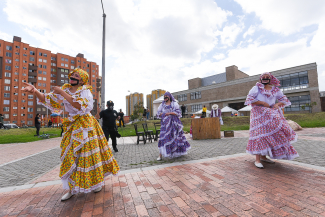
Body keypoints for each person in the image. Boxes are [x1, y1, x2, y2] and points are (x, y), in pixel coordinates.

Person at [22, 68, 120, 201]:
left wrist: (62, 92)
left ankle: (96, 183)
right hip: (71, 126)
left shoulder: (85, 91)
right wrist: (35, 91)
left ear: (82, 80)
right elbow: (48, 99)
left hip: (86, 126)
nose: (72, 77)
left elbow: (82, 106)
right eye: (72, 75)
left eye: (76, 75)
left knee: (90, 155)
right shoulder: (66, 89)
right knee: (69, 155)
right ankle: (71, 189)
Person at [245, 72, 299, 169]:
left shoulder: (276, 90)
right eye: (263, 77)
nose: (265, 78)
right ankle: (257, 159)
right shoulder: (256, 88)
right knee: (259, 134)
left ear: (271, 79)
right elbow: (249, 99)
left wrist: (277, 104)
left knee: (273, 132)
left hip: (271, 112)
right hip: (258, 113)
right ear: (260, 79)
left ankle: (264, 156)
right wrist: (262, 102)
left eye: (267, 77)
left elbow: (284, 100)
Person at [157, 92, 191, 160]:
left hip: (173, 123)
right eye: (164, 96)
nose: (165, 97)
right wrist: (162, 114)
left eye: (166, 96)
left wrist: (169, 113)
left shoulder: (174, 103)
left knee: (175, 137)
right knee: (163, 138)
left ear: (169, 97)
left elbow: (178, 112)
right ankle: (160, 155)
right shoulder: (162, 104)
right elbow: (158, 113)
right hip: (165, 124)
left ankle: (175, 152)